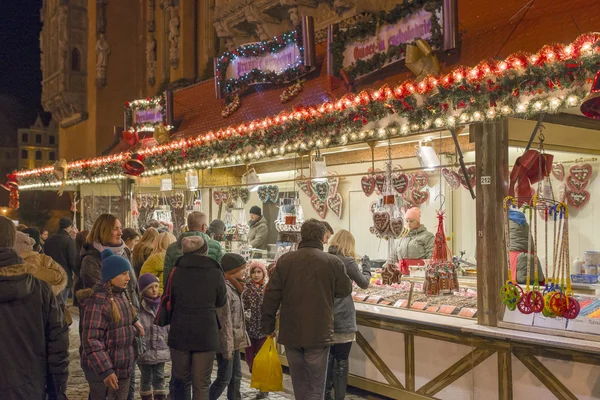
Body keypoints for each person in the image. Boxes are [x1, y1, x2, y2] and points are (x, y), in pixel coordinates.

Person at [261, 219, 352, 400]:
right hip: (319, 331)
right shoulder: (332, 262)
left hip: (291, 330)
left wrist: (267, 326)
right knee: (316, 385)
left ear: (301, 236)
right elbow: (345, 290)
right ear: (321, 236)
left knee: (299, 382)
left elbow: (271, 295)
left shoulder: (285, 261)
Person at [0, 215, 69, 400]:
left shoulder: (41, 289)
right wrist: (57, 392)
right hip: (31, 388)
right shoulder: (41, 289)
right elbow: (58, 346)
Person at [77, 213, 143, 400]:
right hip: (108, 335)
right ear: (104, 230)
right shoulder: (91, 259)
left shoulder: (124, 253)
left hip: (125, 334)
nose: (120, 232)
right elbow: (101, 298)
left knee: (125, 389)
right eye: (115, 228)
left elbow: (131, 290)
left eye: (120, 228)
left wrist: (134, 318)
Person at [169, 236, 227, 400]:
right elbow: (221, 301)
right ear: (205, 251)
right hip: (206, 331)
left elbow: (170, 298)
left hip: (180, 330)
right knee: (201, 384)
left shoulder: (176, 271)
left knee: (182, 380)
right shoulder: (216, 272)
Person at [326, 230, 372, 400]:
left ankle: (325, 395)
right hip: (343, 314)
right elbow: (364, 283)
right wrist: (367, 267)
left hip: (325, 314)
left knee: (328, 358)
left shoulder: (324, 259)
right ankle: (339, 397)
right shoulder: (348, 261)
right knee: (342, 359)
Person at [210, 253, 251, 400]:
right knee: (224, 378)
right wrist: (227, 346)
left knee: (236, 376)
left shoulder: (236, 286)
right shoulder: (226, 289)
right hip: (226, 341)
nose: (245, 272)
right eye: (242, 269)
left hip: (233, 341)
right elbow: (225, 320)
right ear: (232, 271)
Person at [163, 211, 225, 289]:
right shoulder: (216, 246)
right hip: (207, 294)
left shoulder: (172, 248)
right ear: (203, 227)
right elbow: (222, 276)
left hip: (179, 296)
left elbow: (166, 280)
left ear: (188, 226)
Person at [137, 273, 170, 400]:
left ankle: (160, 396)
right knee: (146, 377)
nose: (155, 289)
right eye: (151, 287)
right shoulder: (140, 308)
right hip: (145, 352)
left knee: (160, 377)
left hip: (160, 350)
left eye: (156, 286)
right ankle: (146, 396)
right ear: (144, 290)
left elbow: (167, 326)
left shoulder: (162, 306)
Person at [242, 261, 269, 399]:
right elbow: (243, 306)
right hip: (249, 328)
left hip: (263, 329)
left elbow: (272, 306)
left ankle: (263, 386)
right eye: (254, 272)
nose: (256, 275)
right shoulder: (246, 288)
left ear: (263, 273)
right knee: (249, 357)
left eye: (259, 272)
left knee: (262, 358)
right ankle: (255, 374)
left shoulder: (267, 288)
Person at [15, 230, 68, 300]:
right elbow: (58, 276)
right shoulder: (41, 258)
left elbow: (57, 276)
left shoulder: (32, 260)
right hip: (43, 301)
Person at [45, 217, 78, 304]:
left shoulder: (49, 240)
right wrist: (79, 273)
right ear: (68, 227)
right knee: (61, 305)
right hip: (64, 278)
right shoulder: (68, 240)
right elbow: (72, 260)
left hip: (50, 276)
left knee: (51, 304)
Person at [396, 207, 435, 275]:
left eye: (411, 221)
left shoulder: (427, 236)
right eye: (407, 221)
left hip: (419, 273)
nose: (408, 223)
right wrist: (385, 267)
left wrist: (429, 272)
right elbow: (394, 254)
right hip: (402, 273)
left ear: (418, 222)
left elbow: (431, 255)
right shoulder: (402, 236)